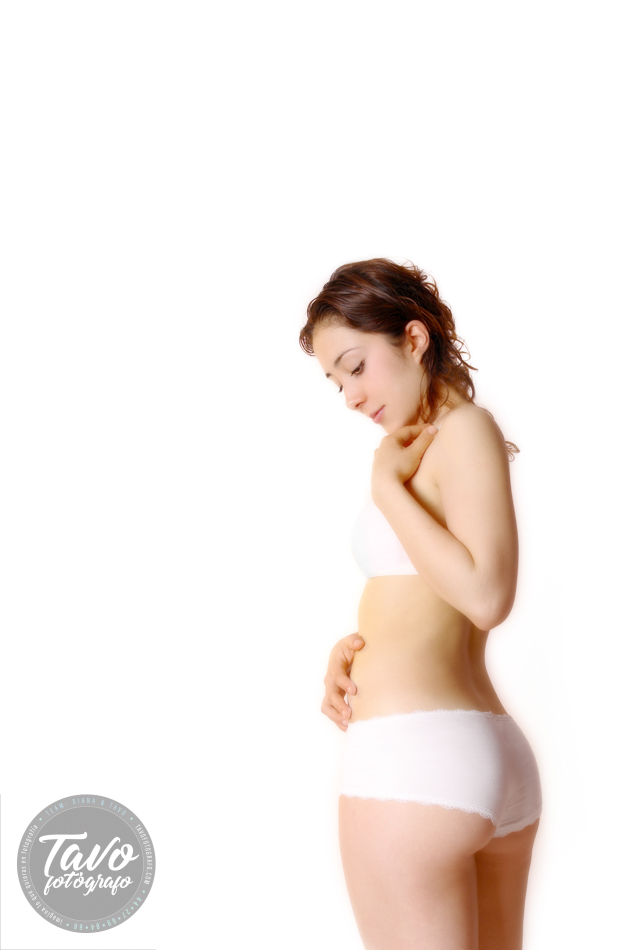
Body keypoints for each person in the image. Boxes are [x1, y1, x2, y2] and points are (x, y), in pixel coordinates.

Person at [299, 258, 542, 950]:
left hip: (413, 764)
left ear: (412, 338)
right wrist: (355, 647)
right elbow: (428, 589)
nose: (350, 396)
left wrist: (386, 492)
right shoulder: (429, 445)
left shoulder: (461, 428)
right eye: (335, 381)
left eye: (355, 366)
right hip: (469, 752)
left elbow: (486, 597)